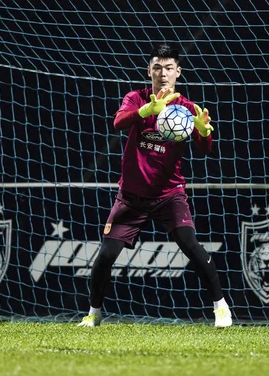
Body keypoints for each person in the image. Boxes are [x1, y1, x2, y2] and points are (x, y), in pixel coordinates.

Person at [78, 43, 232, 328]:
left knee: (189, 243)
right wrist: (147, 109)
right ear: (149, 70)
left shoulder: (186, 108)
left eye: (169, 68)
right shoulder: (136, 98)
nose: (163, 73)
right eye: (158, 67)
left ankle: (221, 308)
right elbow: (118, 122)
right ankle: (94, 314)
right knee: (105, 256)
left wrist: (202, 130)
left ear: (178, 72)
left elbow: (204, 149)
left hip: (168, 194)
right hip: (132, 196)